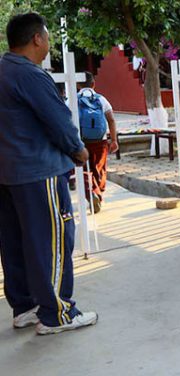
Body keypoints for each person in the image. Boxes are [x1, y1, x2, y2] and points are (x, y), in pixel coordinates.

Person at [0, 13, 98, 335]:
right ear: (36, 39)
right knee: (51, 241)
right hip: (38, 171)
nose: (49, 44)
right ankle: (57, 313)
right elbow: (57, 120)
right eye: (47, 37)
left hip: (8, 173)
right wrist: (78, 149)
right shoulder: (30, 74)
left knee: (16, 241)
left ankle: (25, 306)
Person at [78, 71, 118, 213]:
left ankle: (92, 193)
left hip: (81, 142)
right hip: (100, 142)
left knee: (84, 170)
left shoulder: (73, 99)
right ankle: (98, 194)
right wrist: (113, 140)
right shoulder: (101, 99)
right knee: (99, 169)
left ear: (78, 85)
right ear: (93, 84)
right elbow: (111, 120)